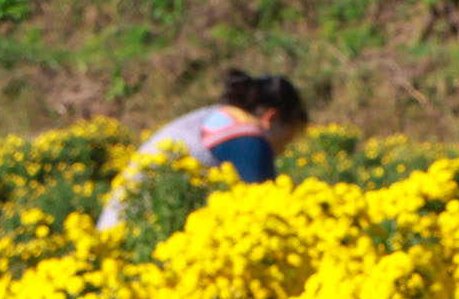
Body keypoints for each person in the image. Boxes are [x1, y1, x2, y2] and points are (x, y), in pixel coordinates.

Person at [97, 70, 309, 229]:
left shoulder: (218, 116)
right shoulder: (249, 137)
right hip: (136, 234)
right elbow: (270, 213)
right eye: (286, 141)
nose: (281, 152)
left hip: (117, 226)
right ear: (270, 118)